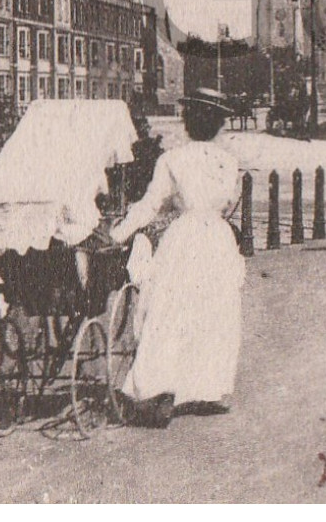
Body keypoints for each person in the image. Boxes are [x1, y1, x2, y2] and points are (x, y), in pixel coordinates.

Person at [110, 89, 247, 425]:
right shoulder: (228, 162)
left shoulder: (171, 160)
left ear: (187, 122)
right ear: (218, 125)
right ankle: (205, 387)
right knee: (213, 311)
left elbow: (150, 204)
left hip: (184, 238)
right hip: (217, 237)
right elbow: (229, 201)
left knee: (169, 310)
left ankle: (155, 385)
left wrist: (118, 233)